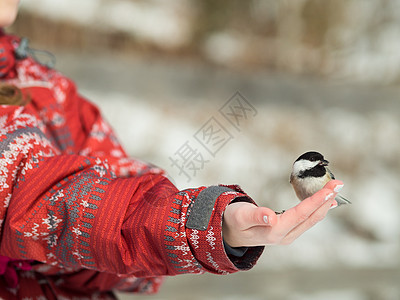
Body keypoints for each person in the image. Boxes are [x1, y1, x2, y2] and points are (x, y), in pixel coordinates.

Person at [0, 1, 341, 299]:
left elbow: (119, 195)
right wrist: (195, 225)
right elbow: (38, 197)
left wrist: (215, 227)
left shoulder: (48, 86)